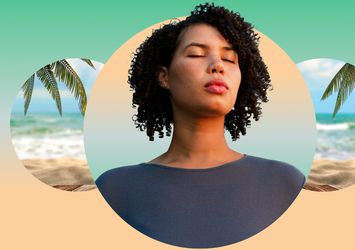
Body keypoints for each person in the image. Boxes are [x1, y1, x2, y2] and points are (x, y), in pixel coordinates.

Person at [96, 3, 305, 248]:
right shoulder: (114, 189)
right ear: (164, 77)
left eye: (229, 59)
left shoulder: (285, 183)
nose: (218, 66)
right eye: (196, 54)